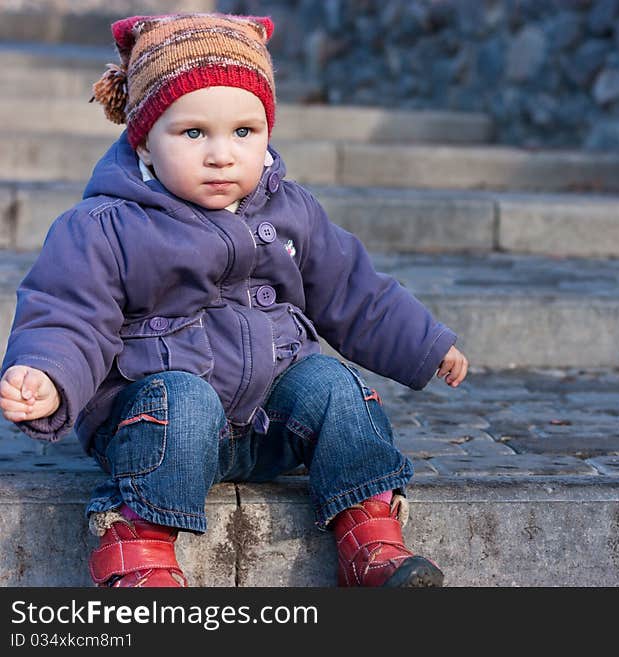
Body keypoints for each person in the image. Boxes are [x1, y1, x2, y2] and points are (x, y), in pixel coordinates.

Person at [0, 13, 468, 588]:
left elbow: (353, 290)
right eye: (193, 133)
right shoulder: (104, 225)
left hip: (271, 424)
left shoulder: (291, 210)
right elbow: (70, 314)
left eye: (243, 132)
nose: (221, 154)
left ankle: (368, 535)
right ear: (144, 138)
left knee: (332, 384)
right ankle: (139, 542)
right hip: (159, 429)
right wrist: (47, 373)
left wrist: (425, 343)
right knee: (184, 397)